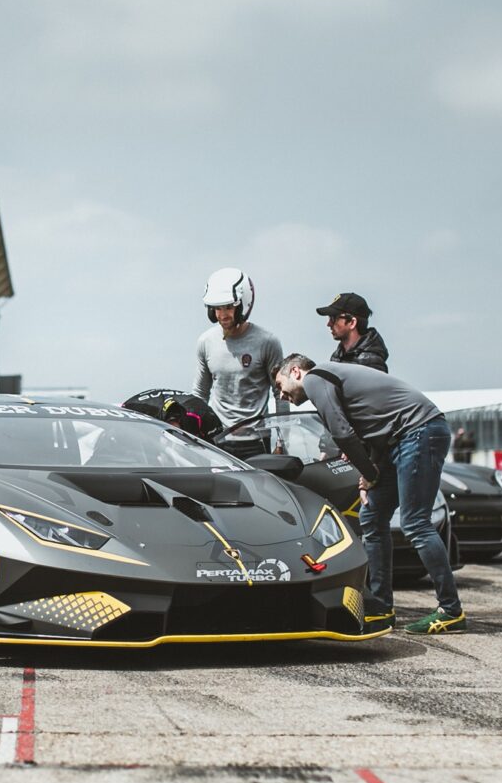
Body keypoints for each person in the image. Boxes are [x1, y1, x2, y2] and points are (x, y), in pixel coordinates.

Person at [273, 354, 465, 635]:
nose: (281, 394)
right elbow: (371, 430)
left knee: (416, 523)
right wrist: (369, 474)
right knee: (372, 517)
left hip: (419, 431)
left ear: (295, 371)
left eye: (280, 385)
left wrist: (371, 475)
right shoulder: (331, 381)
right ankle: (382, 607)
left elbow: (342, 432)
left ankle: (451, 610)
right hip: (399, 438)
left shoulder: (316, 378)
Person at [193, 268, 282, 457]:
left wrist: (283, 440)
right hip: (217, 439)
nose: (222, 315)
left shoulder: (267, 342)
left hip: (256, 442)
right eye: (217, 308)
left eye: (228, 307)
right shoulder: (205, 342)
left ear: (243, 304)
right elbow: (200, 394)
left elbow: (281, 393)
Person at [315, 293, 390, 373]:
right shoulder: (337, 356)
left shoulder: (371, 363)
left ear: (352, 322)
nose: (328, 324)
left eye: (333, 318)